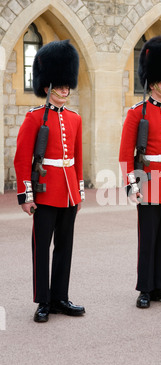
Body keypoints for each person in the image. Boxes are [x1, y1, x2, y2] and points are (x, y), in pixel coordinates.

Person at [14, 40, 86, 323]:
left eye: (67, 85)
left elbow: (78, 158)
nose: (65, 90)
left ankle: (59, 297)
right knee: (41, 247)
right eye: (60, 86)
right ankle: (42, 300)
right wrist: (26, 195)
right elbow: (22, 160)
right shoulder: (33, 119)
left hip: (68, 192)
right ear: (47, 87)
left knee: (65, 247)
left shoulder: (75, 118)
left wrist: (78, 192)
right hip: (45, 193)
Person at [119, 35, 161, 308]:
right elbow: (126, 153)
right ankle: (145, 288)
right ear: (152, 81)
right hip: (148, 181)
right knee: (147, 238)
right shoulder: (137, 112)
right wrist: (132, 184)